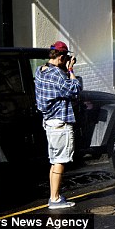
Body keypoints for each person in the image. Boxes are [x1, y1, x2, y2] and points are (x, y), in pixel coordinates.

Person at [34, 41, 82, 209]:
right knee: (60, 161)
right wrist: (70, 70)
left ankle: (54, 196)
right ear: (61, 57)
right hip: (60, 123)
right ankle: (54, 199)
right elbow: (76, 88)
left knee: (54, 161)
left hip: (49, 122)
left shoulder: (40, 71)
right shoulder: (58, 75)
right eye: (65, 58)